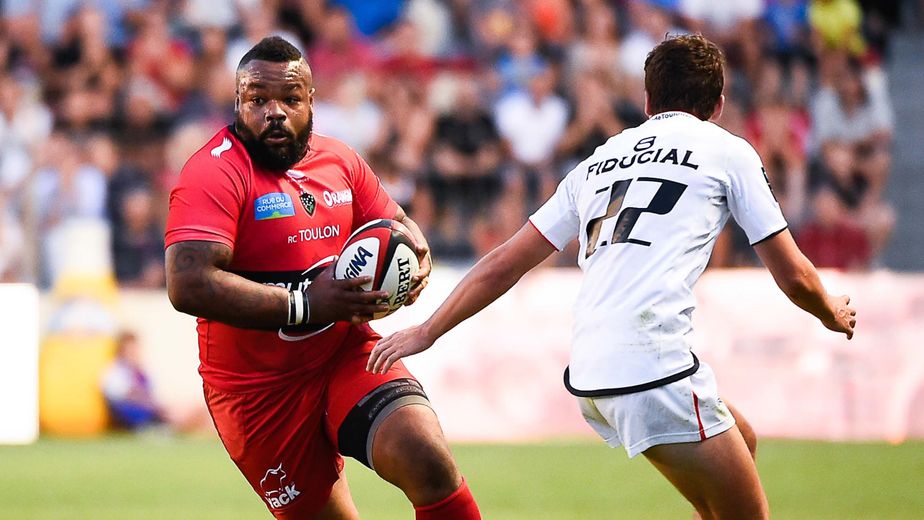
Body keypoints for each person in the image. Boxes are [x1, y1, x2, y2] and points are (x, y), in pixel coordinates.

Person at [368, 34, 857, 519]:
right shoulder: (727, 151)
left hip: (591, 370)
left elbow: (505, 262)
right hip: (653, 365)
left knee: (739, 444)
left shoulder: (598, 161)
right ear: (720, 104)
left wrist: (428, 330)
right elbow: (793, 275)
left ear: (647, 102)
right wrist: (830, 309)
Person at [164, 37, 480, 519]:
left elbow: (401, 227)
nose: (275, 112)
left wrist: (416, 264)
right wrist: (306, 303)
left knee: (427, 458)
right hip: (257, 395)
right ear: (238, 103)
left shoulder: (340, 161)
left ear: (311, 101)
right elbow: (187, 283)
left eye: (290, 99)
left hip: (344, 355)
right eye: (258, 100)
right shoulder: (213, 173)